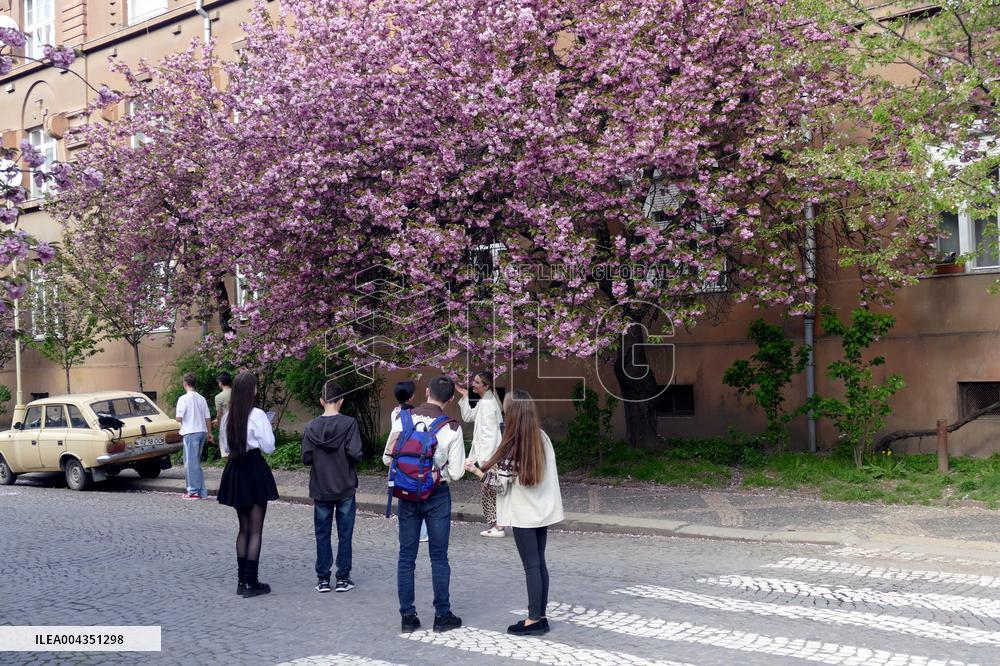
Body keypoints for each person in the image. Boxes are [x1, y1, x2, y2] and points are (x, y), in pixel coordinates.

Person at [465, 389, 563, 636]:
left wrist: (477, 472)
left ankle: (534, 620)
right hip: (542, 511)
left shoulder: (513, 445)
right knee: (539, 563)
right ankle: (539, 615)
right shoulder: (541, 437)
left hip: (523, 513)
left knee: (531, 566)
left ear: (512, 412)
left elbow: (499, 485)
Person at [383, 375, 466, 634]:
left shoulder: (401, 419)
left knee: (406, 556)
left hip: (407, 494)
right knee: (439, 556)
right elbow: (458, 471)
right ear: (451, 398)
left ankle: (408, 616)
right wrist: (436, 473)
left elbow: (388, 459)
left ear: (427, 391)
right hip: (436, 494)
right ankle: (442, 615)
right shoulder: (452, 428)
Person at [217, 371, 279, 598]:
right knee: (255, 529)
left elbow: (224, 447)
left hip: (234, 469)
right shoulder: (258, 415)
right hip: (253, 468)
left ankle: (242, 581)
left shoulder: (227, 417)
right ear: (251, 391)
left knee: (243, 528)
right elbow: (269, 447)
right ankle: (252, 582)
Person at [302, 381, 363, 594]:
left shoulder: (310, 426)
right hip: (345, 484)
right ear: (341, 401)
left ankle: (323, 579)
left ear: (321, 401)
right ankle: (343, 578)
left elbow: (306, 458)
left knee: (322, 534)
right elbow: (356, 453)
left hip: (320, 485)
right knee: (345, 534)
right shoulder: (349, 423)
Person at [456, 372, 505, 537]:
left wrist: (486, 462)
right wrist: (464, 396)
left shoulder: (488, 403)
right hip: (489, 455)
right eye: (474, 381)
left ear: (487, 386)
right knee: (491, 490)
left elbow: (489, 435)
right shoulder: (486, 401)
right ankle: (496, 525)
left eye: (477, 382)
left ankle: (498, 527)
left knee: (490, 490)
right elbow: (469, 416)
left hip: (490, 456)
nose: (473, 384)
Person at [385, 380, 428, 543]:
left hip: (398, 464)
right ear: (412, 396)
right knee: (419, 496)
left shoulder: (394, 413)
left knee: (405, 497)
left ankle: (409, 531)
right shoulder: (416, 415)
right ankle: (423, 532)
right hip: (414, 461)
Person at [175, 373, 213, 499]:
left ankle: (193, 491)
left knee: (190, 464)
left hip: (190, 432)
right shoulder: (201, 398)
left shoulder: (183, 399)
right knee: (196, 463)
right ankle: (202, 491)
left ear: (185, 384)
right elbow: (208, 417)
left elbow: (179, 418)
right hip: (202, 431)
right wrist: (209, 433)